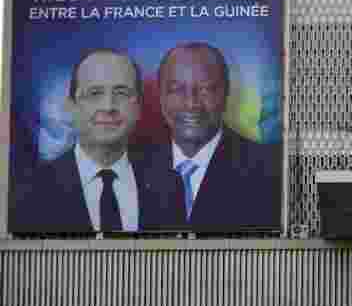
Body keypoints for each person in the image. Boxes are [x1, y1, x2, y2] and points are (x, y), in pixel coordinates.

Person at [10, 48, 185, 233]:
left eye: (122, 93)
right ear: (71, 107)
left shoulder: (168, 186)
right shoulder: (28, 191)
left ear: (139, 107)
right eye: (94, 93)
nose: (108, 106)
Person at [153, 42, 280, 232]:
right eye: (177, 89)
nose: (191, 104)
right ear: (160, 95)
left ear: (226, 93)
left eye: (206, 89)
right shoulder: (135, 167)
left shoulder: (271, 169)